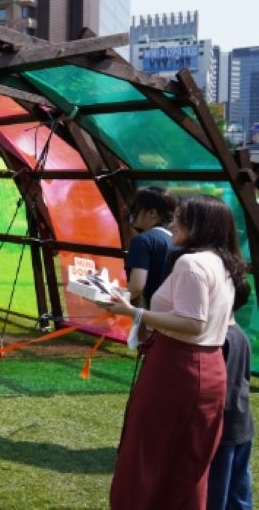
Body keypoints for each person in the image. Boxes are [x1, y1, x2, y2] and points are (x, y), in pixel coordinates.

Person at [103, 195, 251, 509]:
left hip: (177, 368)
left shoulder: (191, 262)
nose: (172, 224)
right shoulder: (223, 261)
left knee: (147, 457)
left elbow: (192, 323)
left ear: (197, 224)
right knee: (188, 464)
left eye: (180, 218)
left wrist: (134, 314)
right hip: (209, 369)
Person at [207, 316, 254, 509]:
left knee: (218, 490)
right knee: (239, 487)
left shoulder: (218, 339)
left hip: (223, 424)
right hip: (242, 420)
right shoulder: (241, 334)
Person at [124, 186, 177, 307]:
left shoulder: (142, 240)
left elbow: (136, 287)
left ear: (152, 213)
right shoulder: (175, 238)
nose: (131, 213)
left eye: (135, 209)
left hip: (157, 314)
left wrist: (109, 298)